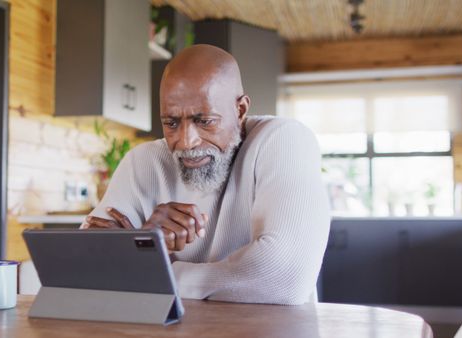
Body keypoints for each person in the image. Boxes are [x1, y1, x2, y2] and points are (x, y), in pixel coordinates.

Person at [82, 44, 330, 305]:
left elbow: (283, 277)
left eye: (205, 121)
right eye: (171, 123)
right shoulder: (142, 161)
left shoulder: (284, 140)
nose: (186, 141)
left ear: (241, 110)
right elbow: (82, 267)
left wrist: (148, 270)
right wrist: (145, 243)